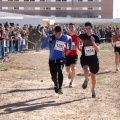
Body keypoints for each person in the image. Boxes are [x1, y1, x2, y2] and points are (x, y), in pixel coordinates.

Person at [41, 25, 72, 94]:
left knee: (60, 69)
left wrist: (69, 49)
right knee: (53, 76)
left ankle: (60, 87)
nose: (58, 36)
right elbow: (42, 46)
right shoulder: (50, 37)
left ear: (62, 32)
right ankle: (56, 84)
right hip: (52, 59)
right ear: (54, 32)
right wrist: (48, 41)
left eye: (59, 34)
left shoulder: (64, 37)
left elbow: (70, 39)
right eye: (56, 34)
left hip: (61, 58)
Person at [77, 22, 100, 98]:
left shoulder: (95, 37)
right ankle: (86, 80)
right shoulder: (83, 36)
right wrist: (78, 47)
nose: (88, 30)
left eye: (89, 28)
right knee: (86, 71)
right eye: (86, 28)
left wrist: (93, 43)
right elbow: (78, 37)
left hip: (93, 59)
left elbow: (97, 50)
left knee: (93, 76)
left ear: (92, 28)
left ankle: (93, 90)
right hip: (85, 58)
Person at [65, 23, 81, 87]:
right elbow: (64, 45)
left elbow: (80, 45)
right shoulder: (66, 37)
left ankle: (71, 82)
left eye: (72, 27)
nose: (71, 28)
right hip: (67, 55)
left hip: (74, 54)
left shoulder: (77, 37)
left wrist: (76, 47)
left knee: (73, 67)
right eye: (70, 27)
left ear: (74, 28)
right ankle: (70, 74)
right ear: (68, 28)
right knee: (67, 70)